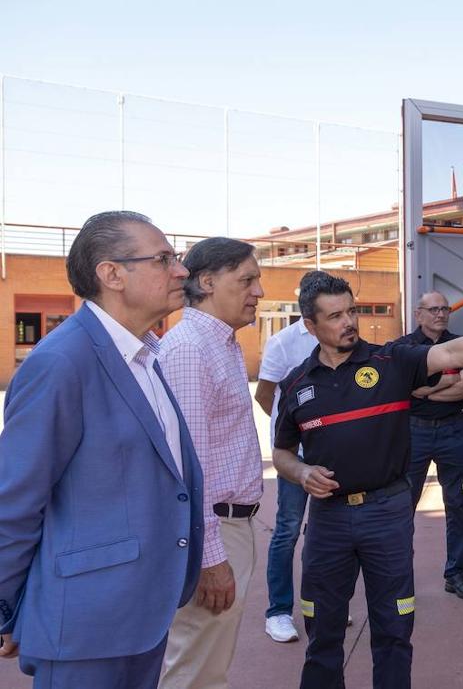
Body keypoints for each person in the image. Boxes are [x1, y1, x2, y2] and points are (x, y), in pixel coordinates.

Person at [272, 274, 463, 689]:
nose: (349, 322)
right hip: (328, 520)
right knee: (323, 628)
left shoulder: (392, 361)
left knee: (394, 627)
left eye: (352, 311)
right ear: (311, 327)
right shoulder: (297, 384)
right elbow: (281, 453)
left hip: (386, 513)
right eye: (335, 316)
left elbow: (452, 351)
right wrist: (301, 472)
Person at [0, 211, 204, 688]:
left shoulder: (144, 354)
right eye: (163, 259)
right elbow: (15, 499)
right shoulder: (61, 362)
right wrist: (8, 608)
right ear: (111, 274)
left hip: (143, 614)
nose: (181, 270)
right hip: (85, 626)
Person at [159, 237, 265, 689]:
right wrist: (210, 558)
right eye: (247, 280)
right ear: (206, 282)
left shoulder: (220, 343)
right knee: (195, 668)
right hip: (212, 531)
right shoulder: (190, 349)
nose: (258, 291)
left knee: (209, 662)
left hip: (229, 526)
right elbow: (186, 468)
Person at [255, 271, 328, 643]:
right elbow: (265, 396)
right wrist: (293, 434)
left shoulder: (343, 338)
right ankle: (278, 611)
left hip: (335, 457)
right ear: (307, 312)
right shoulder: (283, 344)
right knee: (287, 531)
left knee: (328, 535)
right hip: (296, 458)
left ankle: (322, 605)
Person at [401, 292, 463, 600]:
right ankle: (399, 577)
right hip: (414, 434)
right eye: (433, 309)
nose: (440, 314)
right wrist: (449, 384)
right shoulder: (404, 349)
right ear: (418, 314)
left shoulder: (461, 346)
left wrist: (425, 392)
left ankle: (456, 573)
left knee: (458, 503)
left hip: (452, 432)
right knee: (403, 506)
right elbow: (404, 390)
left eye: (444, 308)